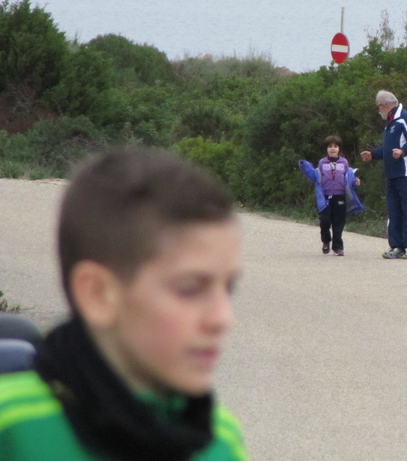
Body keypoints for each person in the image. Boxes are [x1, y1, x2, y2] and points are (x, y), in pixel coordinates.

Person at [0, 148, 247, 461]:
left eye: (229, 287)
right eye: (190, 289)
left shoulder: (221, 440)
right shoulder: (12, 427)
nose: (223, 318)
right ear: (98, 296)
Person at [360, 90, 407, 259]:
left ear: (384, 105)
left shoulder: (406, 117)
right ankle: (397, 246)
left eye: (378, 108)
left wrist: (403, 151)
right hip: (392, 174)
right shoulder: (390, 123)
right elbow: (389, 150)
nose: (378, 111)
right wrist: (373, 154)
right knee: (394, 210)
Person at [298, 135, 363, 256]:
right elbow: (314, 175)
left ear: (339, 149)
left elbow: (349, 178)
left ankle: (338, 247)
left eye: (335, 146)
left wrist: (355, 182)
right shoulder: (322, 163)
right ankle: (326, 241)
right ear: (326, 149)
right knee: (325, 221)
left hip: (340, 197)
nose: (333, 149)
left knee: (339, 222)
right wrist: (304, 166)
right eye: (330, 146)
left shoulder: (344, 162)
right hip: (325, 198)